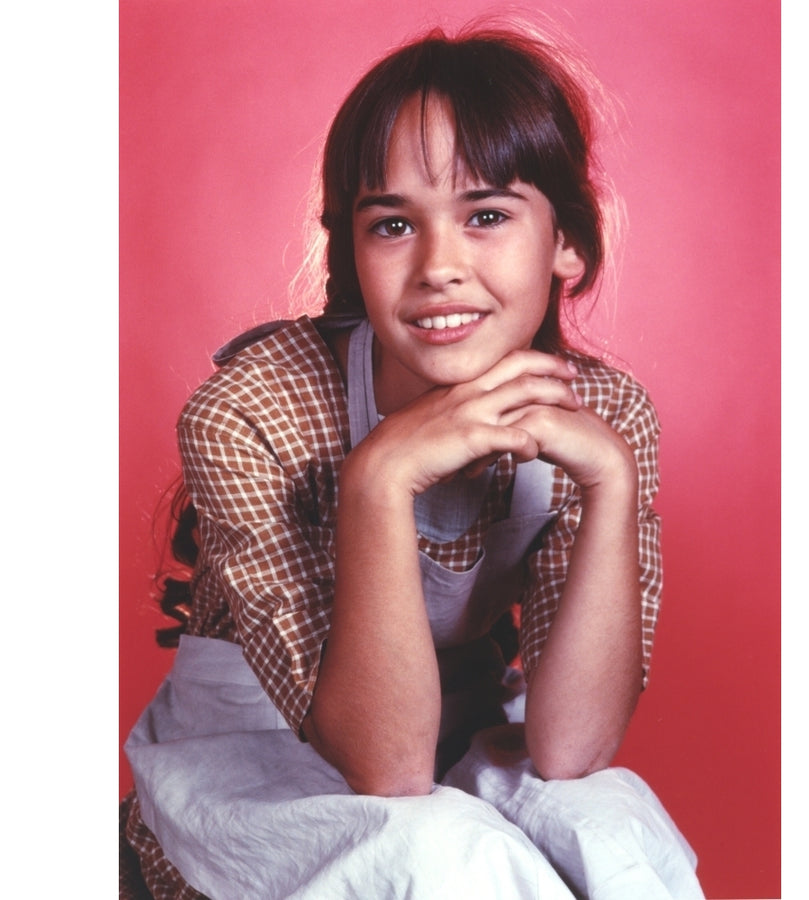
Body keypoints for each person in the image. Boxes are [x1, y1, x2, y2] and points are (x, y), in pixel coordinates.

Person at [121, 16, 705, 900]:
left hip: (463, 727)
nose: (440, 265)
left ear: (567, 243)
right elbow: (387, 768)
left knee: (609, 824)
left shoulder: (603, 415)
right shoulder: (252, 409)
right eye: (394, 224)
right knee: (444, 855)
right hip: (264, 749)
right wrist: (381, 478)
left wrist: (612, 483)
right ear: (353, 250)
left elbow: (571, 750)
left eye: (487, 216)